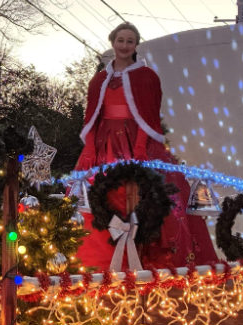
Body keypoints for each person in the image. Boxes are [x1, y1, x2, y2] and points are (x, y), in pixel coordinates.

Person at [73, 22, 218, 270]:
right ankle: (96, 263)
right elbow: (93, 115)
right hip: (105, 143)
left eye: (130, 41)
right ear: (113, 42)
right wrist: (90, 149)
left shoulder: (148, 77)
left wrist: (140, 148)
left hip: (137, 140)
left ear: (136, 45)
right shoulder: (98, 80)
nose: (125, 45)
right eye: (121, 40)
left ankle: (151, 260)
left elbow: (148, 116)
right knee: (92, 196)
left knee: (153, 195)